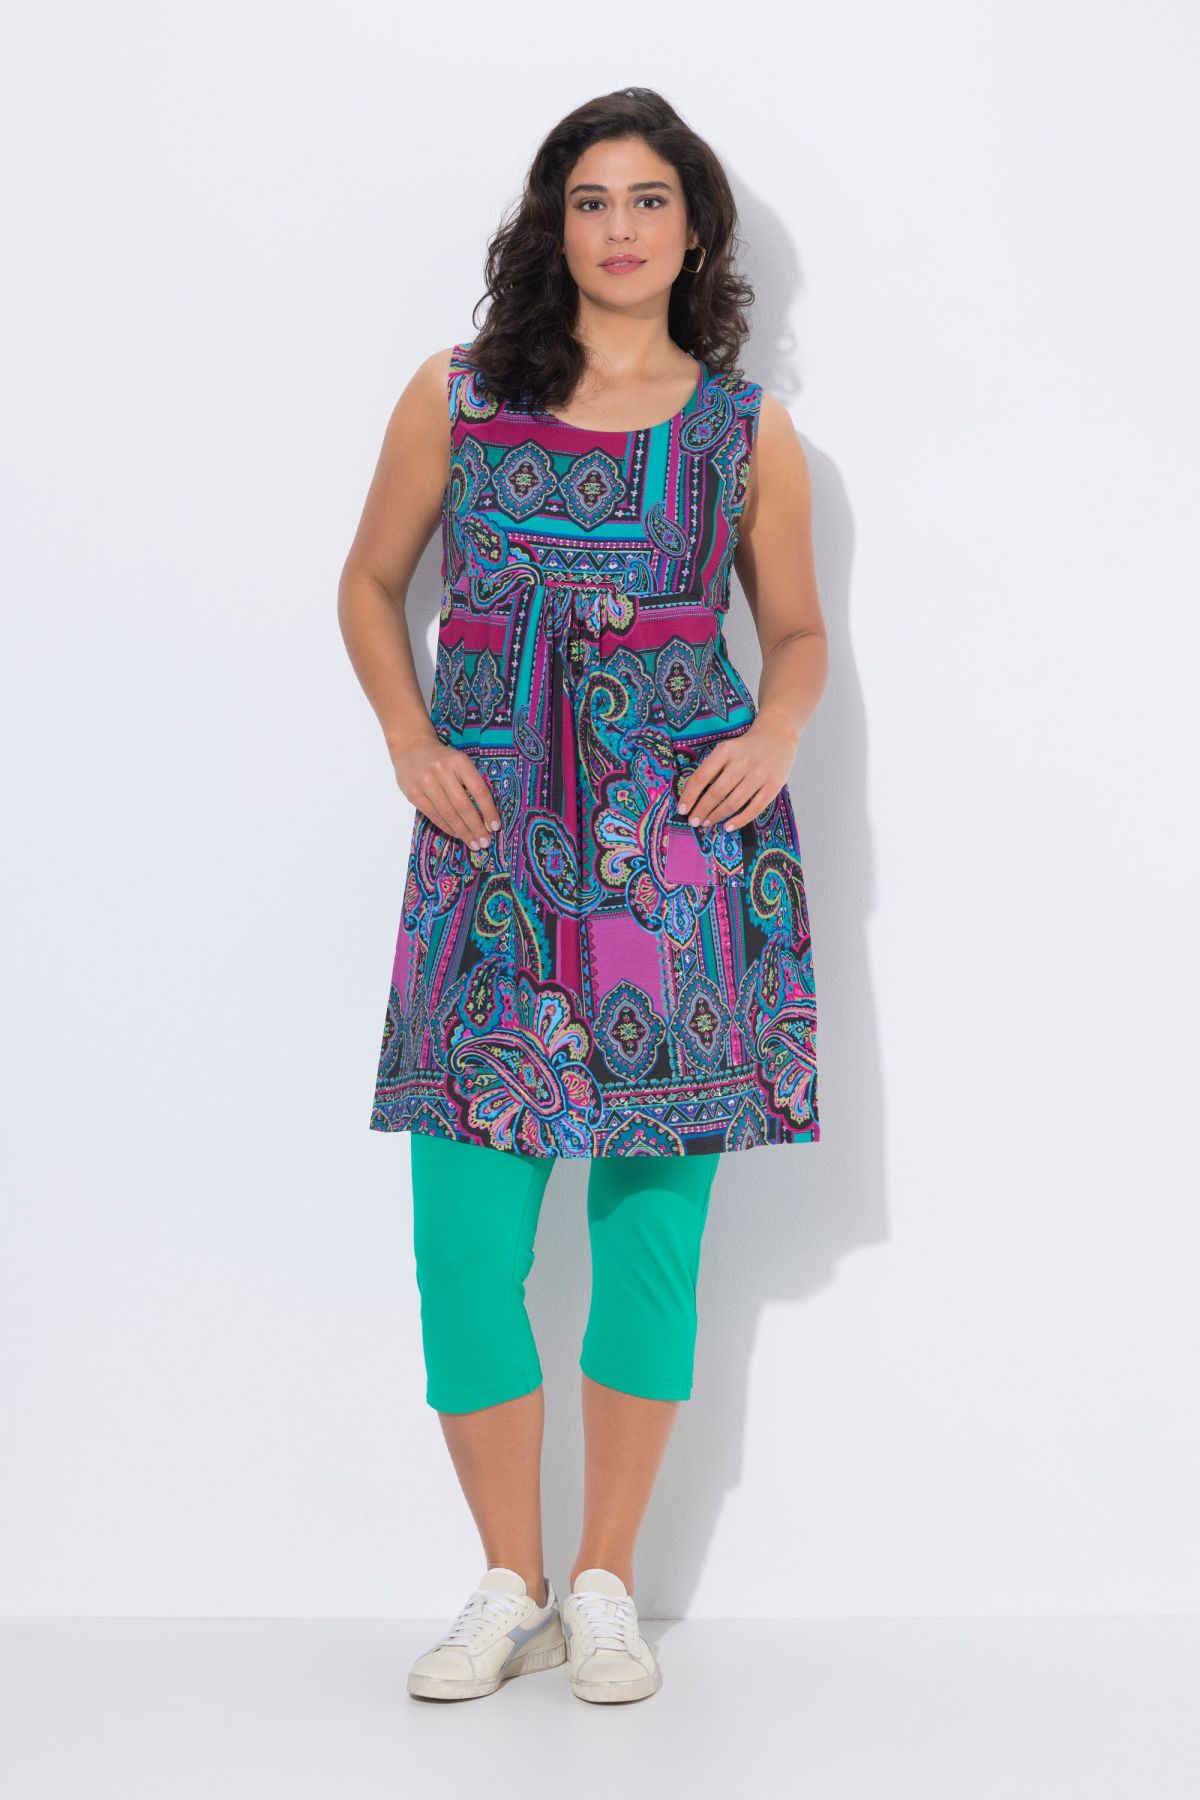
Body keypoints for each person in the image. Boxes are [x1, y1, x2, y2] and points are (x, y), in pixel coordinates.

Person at [338, 86, 828, 1704]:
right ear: (554, 228)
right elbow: (371, 582)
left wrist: (775, 729)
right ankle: (512, 1584)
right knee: (464, 1245)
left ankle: (606, 1583)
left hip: (679, 862)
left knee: (650, 1244)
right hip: (490, 853)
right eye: (591, 200)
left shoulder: (743, 432)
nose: (621, 228)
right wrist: (410, 737)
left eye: (650, 200)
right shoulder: (458, 394)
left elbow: (797, 631)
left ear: (696, 232)